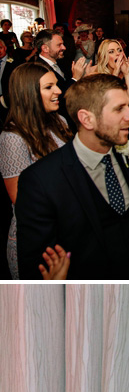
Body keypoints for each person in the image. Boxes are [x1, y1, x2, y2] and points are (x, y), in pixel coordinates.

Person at [16, 74, 129, 280]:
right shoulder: (40, 181)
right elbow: (35, 269)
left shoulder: (123, 154)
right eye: (119, 109)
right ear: (87, 119)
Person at [1, 62, 70, 278]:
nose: (58, 91)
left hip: (64, 229)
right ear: (28, 94)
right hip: (36, 239)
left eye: (56, 85)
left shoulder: (59, 121)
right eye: (49, 87)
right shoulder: (12, 138)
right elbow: (20, 199)